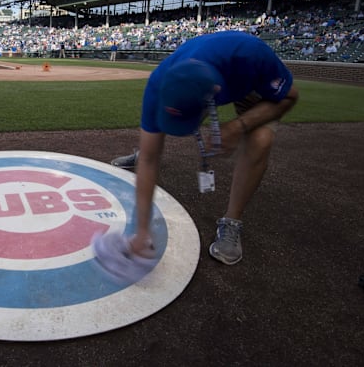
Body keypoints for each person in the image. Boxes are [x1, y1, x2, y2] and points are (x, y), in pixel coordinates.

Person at [101, 31, 299, 275]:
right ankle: (138, 153)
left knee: (261, 140)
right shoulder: (158, 83)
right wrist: (142, 232)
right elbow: (152, 160)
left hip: (248, 81)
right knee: (149, 150)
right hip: (202, 77)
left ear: (214, 98)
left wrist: (239, 126)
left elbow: (289, 97)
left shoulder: (252, 55)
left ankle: (231, 221)